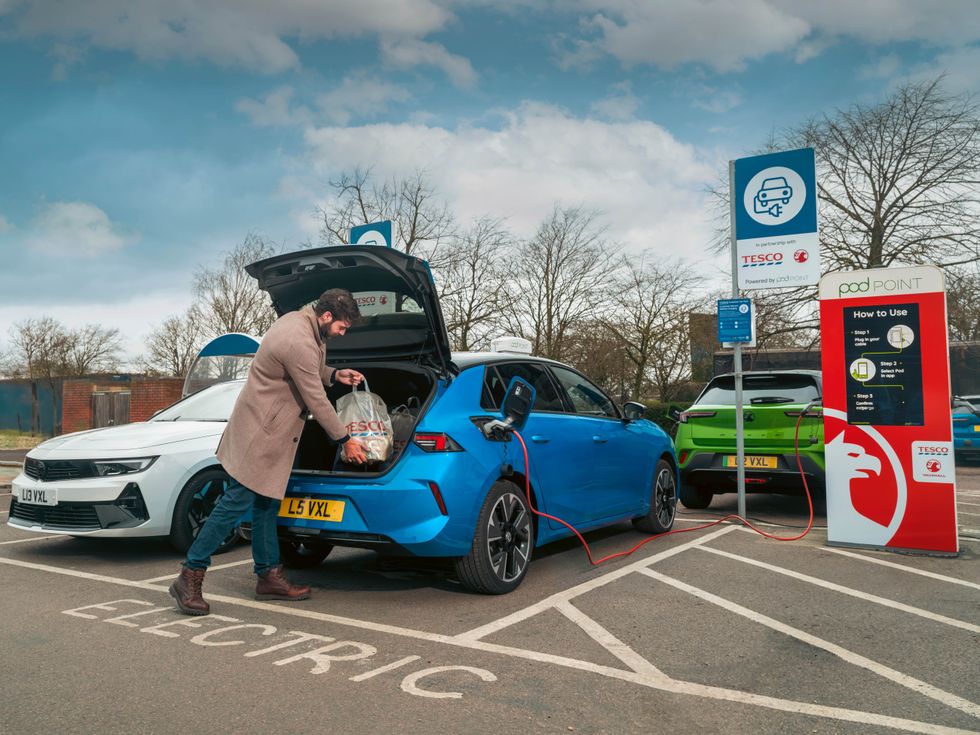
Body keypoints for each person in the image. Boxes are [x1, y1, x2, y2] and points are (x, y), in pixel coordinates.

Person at [170, 288, 368, 616]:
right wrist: (345, 439)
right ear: (327, 316)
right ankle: (189, 576)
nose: (342, 334)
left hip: (270, 434)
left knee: (266, 505)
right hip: (260, 437)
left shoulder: (301, 324)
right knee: (233, 505)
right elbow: (316, 398)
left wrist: (335, 374)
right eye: (342, 328)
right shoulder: (298, 338)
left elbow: (308, 369)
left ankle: (268, 576)